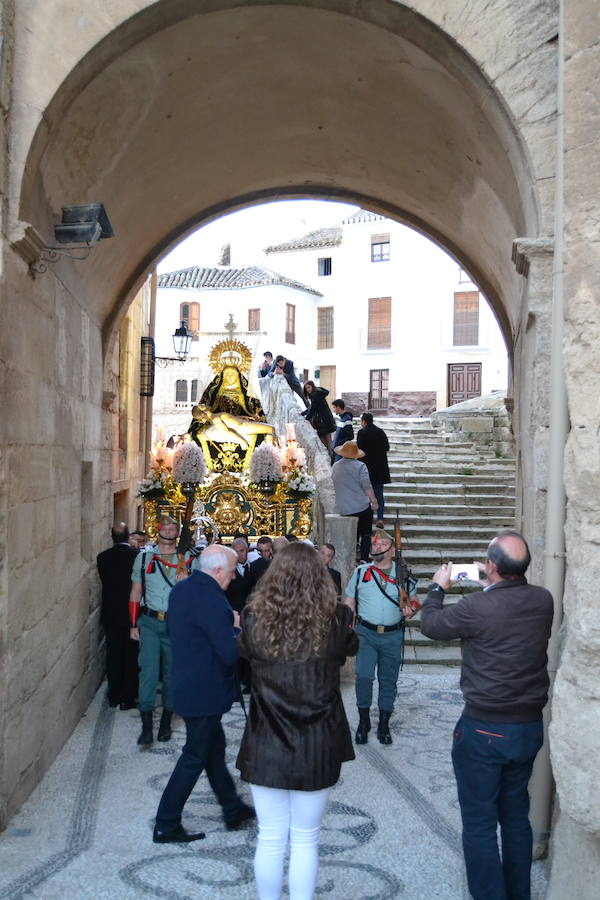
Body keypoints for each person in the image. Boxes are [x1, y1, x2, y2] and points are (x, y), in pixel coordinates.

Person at [420, 530, 553, 900]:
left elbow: (432, 626)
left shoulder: (476, 608)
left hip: (484, 730)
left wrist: (438, 588)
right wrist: (492, 577)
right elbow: (508, 602)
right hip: (526, 728)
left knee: (479, 824)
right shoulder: (543, 600)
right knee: (515, 818)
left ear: (491, 565)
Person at [236, 542, 358, 899]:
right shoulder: (335, 617)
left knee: (271, 836)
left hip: (267, 739)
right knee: (306, 837)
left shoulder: (254, 617)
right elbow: (350, 647)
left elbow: (243, 649)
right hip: (318, 740)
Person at [153, 545, 255, 843]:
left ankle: (232, 808)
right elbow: (227, 652)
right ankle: (166, 823)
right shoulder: (211, 599)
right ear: (219, 570)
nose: (234, 578)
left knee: (213, 750)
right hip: (204, 691)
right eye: (233, 571)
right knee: (195, 755)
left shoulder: (183, 590)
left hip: (188, 684)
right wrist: (236, 628)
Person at [129, 516, 198, 746]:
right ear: (156, 531)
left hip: (176, 625)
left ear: (178, 532)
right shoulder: (143, 558)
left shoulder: (189, 559)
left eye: (173, 528)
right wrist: (132, 624)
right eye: (164, 527)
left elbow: (199, 593)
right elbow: (136, 593)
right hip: (149, 623)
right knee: (147, 673)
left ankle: (167, 720)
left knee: (172, 675)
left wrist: (187, 581)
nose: (169, 531)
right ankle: (147, 726)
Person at [344, 529, 417, 745]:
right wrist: (349, 623)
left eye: (381, 545)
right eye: (374, 545)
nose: (375, 548)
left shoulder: (403, 574)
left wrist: (411, 609)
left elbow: (414, 601)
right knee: (364, 677)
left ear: (392, 550)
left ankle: (384, 724)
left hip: (393, 635)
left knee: (388, 680)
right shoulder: (361, 572)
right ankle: (364, 721)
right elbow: (350, 600)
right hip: (366, 633)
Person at [96, 522, 139, 710]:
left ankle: (114, 695)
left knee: (113, 655)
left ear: (112, 537)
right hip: (131, 614)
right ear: (129, 536)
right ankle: (128, 698)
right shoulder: (137, 556)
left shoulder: (102, 557)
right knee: (131, 656)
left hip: (111, 614)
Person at [331, 440, 378, 562]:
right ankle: (363, 558)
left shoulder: (335, 466)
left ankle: (350, 555)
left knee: (354, 533)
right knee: (366, 533)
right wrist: (374, 501)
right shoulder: (360, 466)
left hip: (343, 508)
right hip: (360, 507)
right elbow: (367, 486)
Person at [356, 412, 391, 525]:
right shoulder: (380, 432)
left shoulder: (362, 432)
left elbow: (359, 450)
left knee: (365, 494)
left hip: (366, 468)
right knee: (379, 494)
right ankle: (380, 518)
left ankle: (367, 519)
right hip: (380, 468)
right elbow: (387, 447)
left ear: (364, 421)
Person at [301, 381, 336, 452]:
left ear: (312, 386)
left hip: (323, 422)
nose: (308, 390)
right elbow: (311, 407)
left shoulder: (316, 394)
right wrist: (303, 413)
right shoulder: (316, 394)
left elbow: (313, 408)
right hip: (324, 421)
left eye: (308, 387)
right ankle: (330, 458)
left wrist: (306, 418)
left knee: (327, 443)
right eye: (306, 388)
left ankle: (330, 459)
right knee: (326, 442)